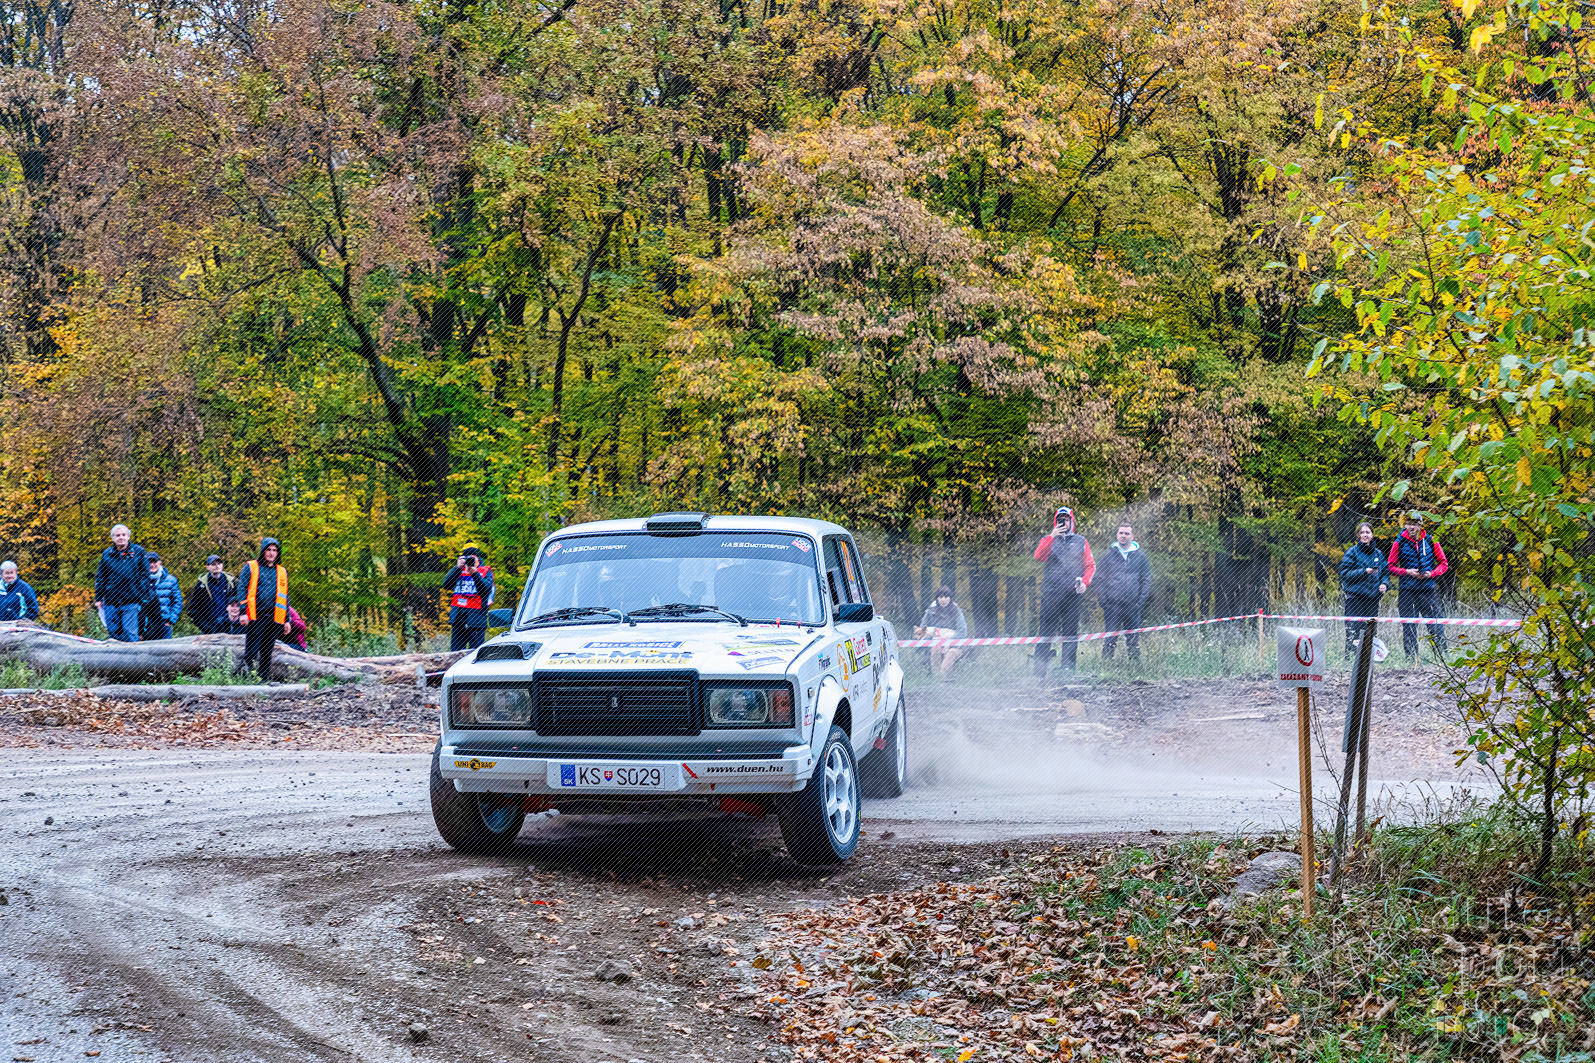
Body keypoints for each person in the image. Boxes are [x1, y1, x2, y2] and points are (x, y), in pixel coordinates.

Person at [1032, 506, 1095, 677]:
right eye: (1060, 519)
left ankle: (1068, 669)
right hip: (1051, 593)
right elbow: (1038, 556)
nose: (1063, 522)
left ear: (1071, 521)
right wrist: (1052, 536)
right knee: (1045, 630)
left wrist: (1085, 583)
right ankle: (1039, 671)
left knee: (1070, 631)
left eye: (1066, 519)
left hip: (1072, 594)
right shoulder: (1048, 539)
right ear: (1055, 521)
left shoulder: (1081, 541)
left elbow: (1090, 565)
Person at [1387, 514, 1448, 659]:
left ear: (1420, 525)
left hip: (1428, 589)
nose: (1412, 527)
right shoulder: (1399, 542)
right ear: (1405, 525)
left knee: (1435, 624)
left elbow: (1444, 564)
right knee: (1409, 626)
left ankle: (1442, 657)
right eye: (1409, 523)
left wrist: (1431, 574)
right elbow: (1390, 566)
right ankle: (1411, 659)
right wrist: (1406, 572)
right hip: (1407, 589)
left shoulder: (1431, 540)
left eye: (1415, 524)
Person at [233, 537, 292, 680]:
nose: (271, 553)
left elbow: (285, 596)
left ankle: (263, 679)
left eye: (274, 550)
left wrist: (287, 619)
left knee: (267, 651)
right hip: (255, 616)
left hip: (274, 617)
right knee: (252, 651)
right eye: (268, 550)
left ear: (277, 553)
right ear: (263, 551)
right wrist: (243, 612)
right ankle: (247, 679)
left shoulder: (281, 571)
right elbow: (242, 589)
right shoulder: (251, 567)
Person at [1095, 523, 1151, 662]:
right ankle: (1106, 665)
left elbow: (1146, 579)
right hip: (1112, 605)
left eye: (1127, 533)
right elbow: (1099, 579)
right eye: (1121, 533)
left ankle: (1135, 667)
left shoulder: (1140, 556)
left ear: (1132, 536)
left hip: (1133, 605)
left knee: (1133, 640)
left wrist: (1140, 602)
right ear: (1117, 535)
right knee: (1110, 639)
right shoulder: (1108, 556)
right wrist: (1103, 602)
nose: (1123, 536)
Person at [93, 524, 151, 642]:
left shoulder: (138, 552)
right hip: (111, 601)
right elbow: (101, 577)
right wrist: (98, 598)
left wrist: (139, 591)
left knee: (130, 633)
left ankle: (134, 654)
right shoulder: (107, 554)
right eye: (118, 535)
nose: (121, 537)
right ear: (113, 538)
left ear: (128, 536)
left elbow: (145, 574)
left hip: (131, 600)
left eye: (123, 535)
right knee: (114, 634)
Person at [1338, 522, 1388, 656]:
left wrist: (1384, 584)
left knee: (1370, 630)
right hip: (1355, 598)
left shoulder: (1378, 554)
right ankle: (1350, 657)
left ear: (1372, 535)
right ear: (1358, 535)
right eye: (1362, 532)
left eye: (1368, 532)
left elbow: (1385, 573)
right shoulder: (1352, 552)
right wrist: (1364, 571)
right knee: (1353, 630)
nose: (1365, 535)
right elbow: (1345, 574)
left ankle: (1368, 658)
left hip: (1372, 598)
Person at [442, 546, 496, 651]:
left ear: (478, 559)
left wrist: (474, 573)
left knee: (475, 651)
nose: (470, 561)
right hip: (458, 617)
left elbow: (485, 590)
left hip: (476, 618)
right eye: (468, 559)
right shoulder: (458, 570)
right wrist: (457, 567)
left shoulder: (485, 571)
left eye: (472, 559)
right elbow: (446, 585)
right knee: (456, 651)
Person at [915, 586, 968, 680]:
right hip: (935, 643)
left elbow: (962, 631)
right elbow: (922, 630)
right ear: (937, 598)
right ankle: (936, 679)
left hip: (954, 645)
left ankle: (946, 678)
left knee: (951, 653)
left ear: (950, 598)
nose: (943, 600)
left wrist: (949, 643)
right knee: (936, 648)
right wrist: (929, 642)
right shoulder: (930, 611)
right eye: (940, 597)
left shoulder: (956, 610)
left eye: (946, 597)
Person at [188, 555, 236, 634]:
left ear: (222, 565)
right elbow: (193, 610)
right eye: (213, 564)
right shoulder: (201, 585)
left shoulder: (231, 582)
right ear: (207, 567)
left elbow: (237, 604)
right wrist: (205, 627)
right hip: (209, 629)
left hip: (229, 626)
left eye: (219, 563)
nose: (217, 566)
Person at [142, 553, 184, 640]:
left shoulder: (171, 580)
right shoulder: (140, 580)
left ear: (159, 563)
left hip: (164, 623)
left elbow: (178, 601)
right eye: (149, 562)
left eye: (154, 561)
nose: (152, 565)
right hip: (145, 624)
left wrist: (170, 620)